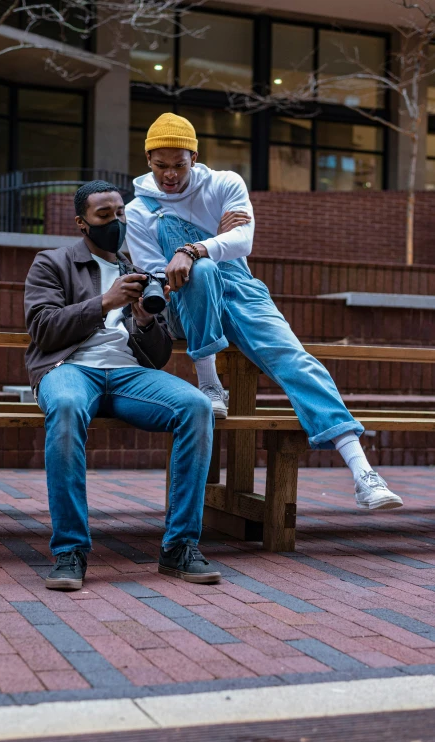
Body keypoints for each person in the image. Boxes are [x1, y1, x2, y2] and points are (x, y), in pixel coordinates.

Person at [125, 113, 403, 512]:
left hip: (241, 291)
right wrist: (211, 244)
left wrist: (194, 247)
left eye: (179, 164)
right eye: (160, 165)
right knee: (201, 271)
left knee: (296, 361)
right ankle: (209, 384)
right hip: (184, 298)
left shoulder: (224, 182)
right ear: (148, 159)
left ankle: (363, 473)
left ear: (194, 156)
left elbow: (244, 239)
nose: (169, 174)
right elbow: (157, 272)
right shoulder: (139, 210)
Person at [24, 180, 221, 590]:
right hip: (70, 369)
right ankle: (70, 550)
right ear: (82, 223)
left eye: (120, 213)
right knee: (64, 407)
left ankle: (179, 547)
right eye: (104, 215)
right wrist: (104, 303)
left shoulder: (137, 271)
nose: (115, 222)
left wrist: (146, 321)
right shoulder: (53, 263)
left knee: (196, 407)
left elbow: (158, 356)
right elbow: (42, 329)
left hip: (129, 376)